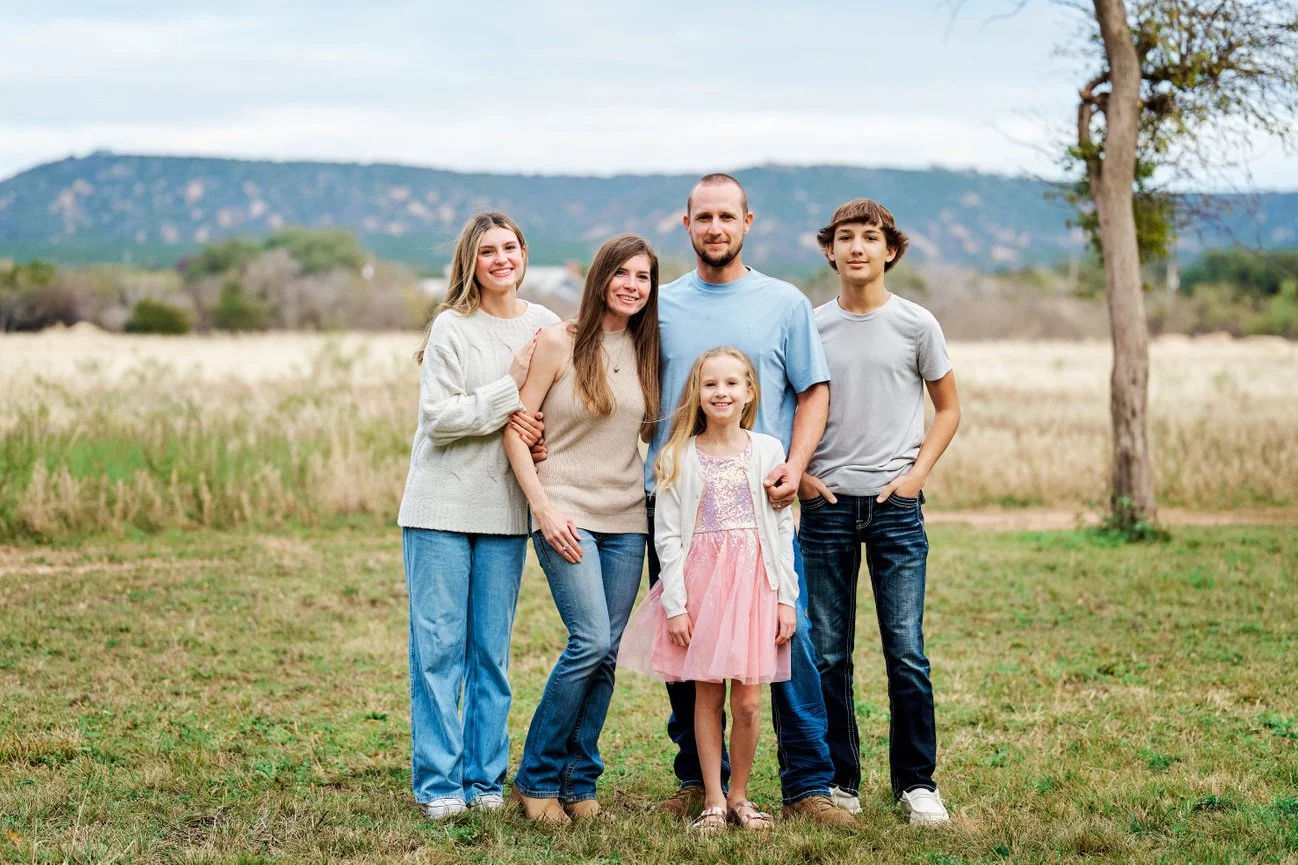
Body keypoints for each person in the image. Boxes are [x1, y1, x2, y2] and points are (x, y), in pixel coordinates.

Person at [641, 173, 852, 827]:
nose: (714, 227)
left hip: (760, 506)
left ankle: (810, 783)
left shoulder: (784, 303)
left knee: (789, 645)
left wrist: (795, 462)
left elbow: (813, 388)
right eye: (703, 216)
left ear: (747, 222)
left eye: (726, 216)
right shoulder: (662, 305)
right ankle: (696, 780)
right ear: (687, 225)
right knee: (690, 654)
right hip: (680, 502)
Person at [798, 198, 961, 825]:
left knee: (906, 651)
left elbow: (947, 408)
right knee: (830, 653)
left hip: (895, 510)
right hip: (827, 508)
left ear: (890, 250)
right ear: (830, 250)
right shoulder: (811, 326)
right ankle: (840, 782)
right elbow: (786, 406)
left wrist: (916, 477)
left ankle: (918, 785)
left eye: (871, 237)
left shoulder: (918, 324)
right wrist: (804, 476)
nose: (858, 247)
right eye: (846, 237)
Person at [397, 211, 559, 820]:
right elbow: (439, 420)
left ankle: (485, 780)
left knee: (491, 652)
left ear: (524, 253)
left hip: (503, 509)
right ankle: (439, 786)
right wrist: (510, 388)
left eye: (510, 247)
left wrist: (539, 440)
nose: (501, 259)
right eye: (487, 250)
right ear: (471, 261)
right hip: (439, 506)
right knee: (438, 651)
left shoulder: (545, 326)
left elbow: (547, 415)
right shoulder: (451, 328)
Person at [502, 234, 661, 824]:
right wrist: (542, 508)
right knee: (589, 640)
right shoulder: (556, 343)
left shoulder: (650, 351)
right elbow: (517, 430)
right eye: (621, 274)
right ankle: (537, 776)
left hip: (627, 517)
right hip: (565, 511)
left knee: (610, 653)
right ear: (600, 278)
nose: (631, 285)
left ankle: (578, 780)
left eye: (643, 277)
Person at [619, 347, 797, 833]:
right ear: (697, 393)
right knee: (707, 696)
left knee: (749, 701)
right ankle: (714, 799)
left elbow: (782, 529)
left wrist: (786, 598)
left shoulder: (768, 450)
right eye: (710, 384)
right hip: (702, 588)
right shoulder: (679, 453)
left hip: (755, 584)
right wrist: (676, 605)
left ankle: (741, 794)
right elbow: (668, 536)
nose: (721, 392)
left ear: (749, 392)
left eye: (732, 383)